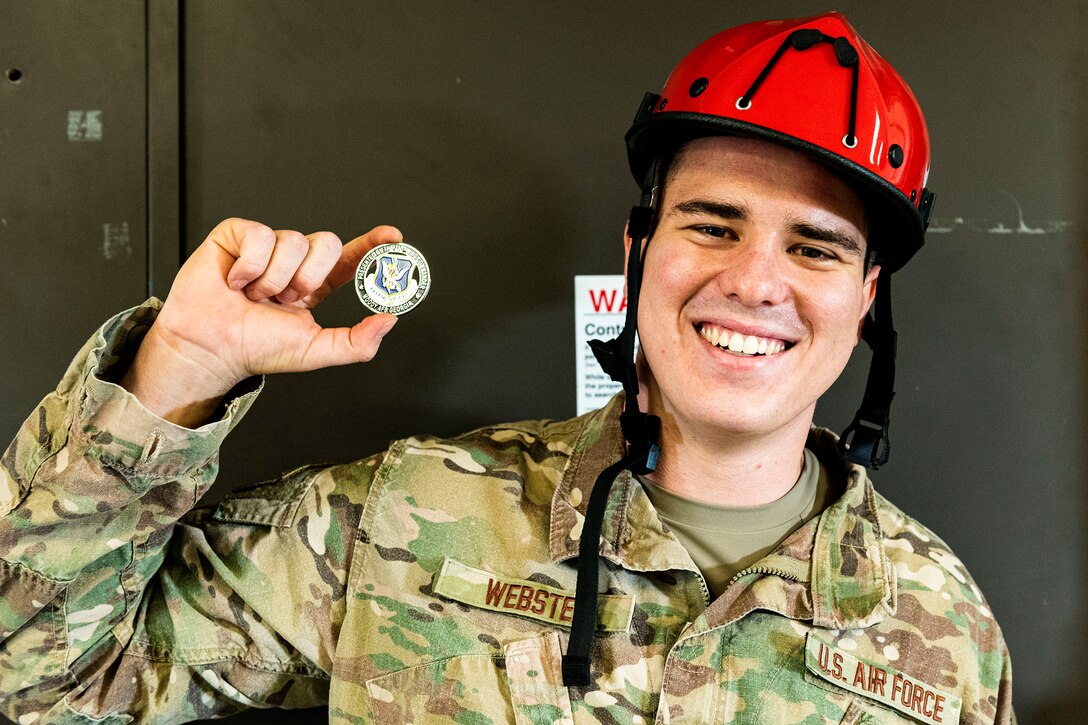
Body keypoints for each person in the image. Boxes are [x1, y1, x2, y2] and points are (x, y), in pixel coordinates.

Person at [0, 12, 1013, 724]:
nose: (753, 281)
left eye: (814, 246)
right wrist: (174, 373)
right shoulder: (401, 520)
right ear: (636, 253)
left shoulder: (942, 629)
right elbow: (38, 683)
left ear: (864, 298)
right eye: (711, 223)